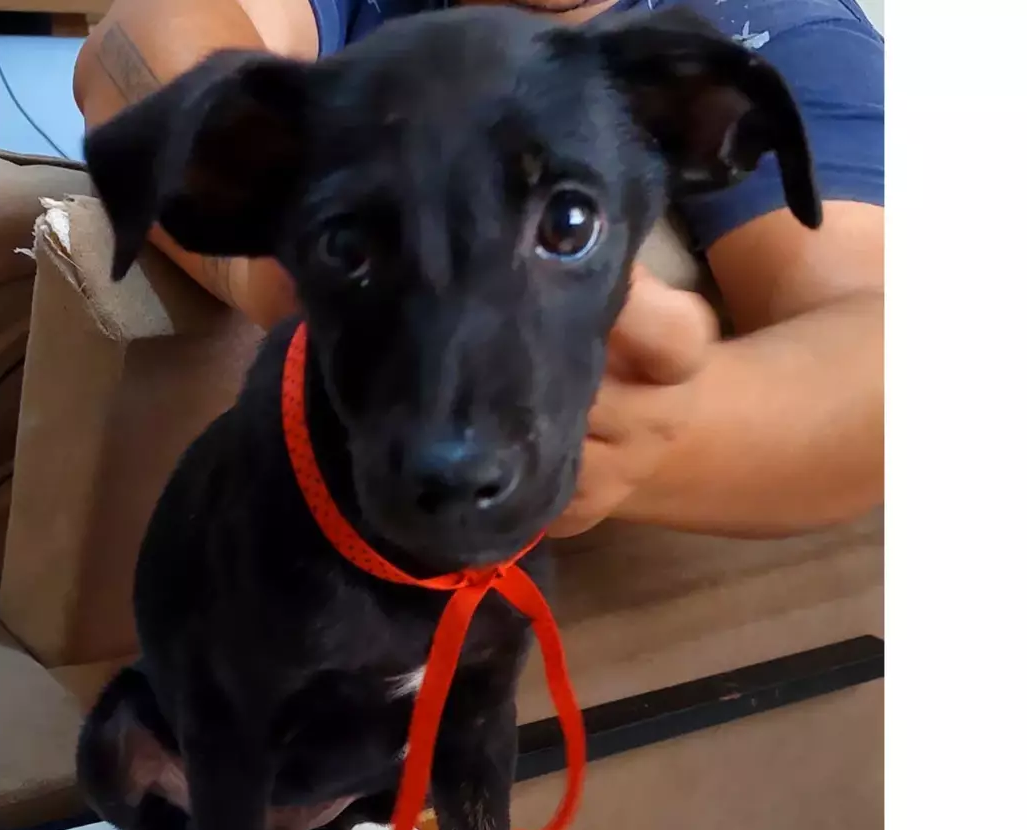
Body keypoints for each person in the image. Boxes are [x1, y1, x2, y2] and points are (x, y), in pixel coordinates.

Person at [74, 0, 884, 540]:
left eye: (565, 227)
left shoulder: (777, 29)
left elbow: (882, 338)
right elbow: (133, 47)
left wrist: (658, 435)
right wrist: (298, 277)